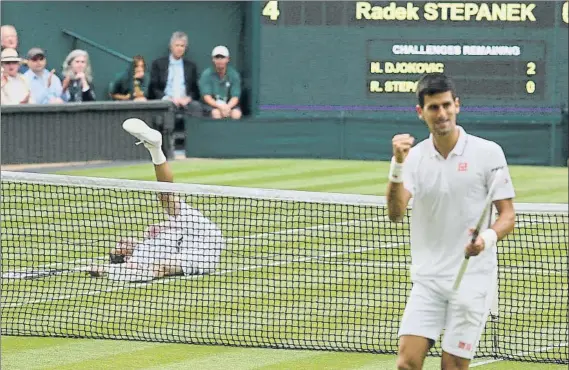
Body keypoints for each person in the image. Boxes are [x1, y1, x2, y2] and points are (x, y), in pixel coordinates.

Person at [386, 73, 516, 370]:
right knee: (406, 362)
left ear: (457, 105)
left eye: (446, 105)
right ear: (421, 112)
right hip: (428, 280)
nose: (441, 113)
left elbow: (507, 215)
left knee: (453, 366)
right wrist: (397, 166)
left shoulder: (488, 153)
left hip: (472, 280)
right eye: (433, 107)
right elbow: (395, 213)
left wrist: (485, 240)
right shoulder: (413, 159)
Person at [88, 118, 225, 282]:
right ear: (125, 258)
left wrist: (164, 227)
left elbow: (169, 234)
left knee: (166, 197)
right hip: (200, 253)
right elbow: (159, 269)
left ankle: (155, 148)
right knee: (162, 267)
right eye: (118, 249)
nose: (121, 243)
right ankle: (155, 148)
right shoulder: (140, 258)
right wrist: (108, 270)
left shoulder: (147, 243)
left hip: (198, 233)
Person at [199, 45, 242, 120]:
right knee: (216, 113)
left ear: (227, 59)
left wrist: (227, 107)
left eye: (222, 57)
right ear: (213, 59)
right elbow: (207, 97)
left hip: (229, 105)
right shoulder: (206, 74)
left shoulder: (234, 74)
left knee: (236, 114)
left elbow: (235, 97)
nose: (219, 60)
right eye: (217, 57)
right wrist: (220, 106)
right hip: (212, 105)